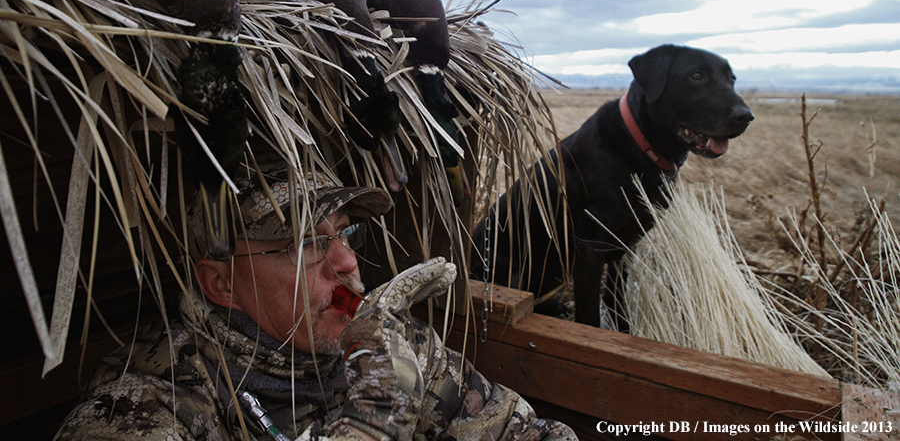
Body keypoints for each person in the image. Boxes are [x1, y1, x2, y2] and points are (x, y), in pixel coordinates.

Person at [53, 162, 578, 441]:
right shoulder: (149, 404)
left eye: (345, 233)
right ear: (221, 284)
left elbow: (523, 433)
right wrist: (373, 419)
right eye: (305, 243)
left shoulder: (389, 345)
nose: (346, 263)